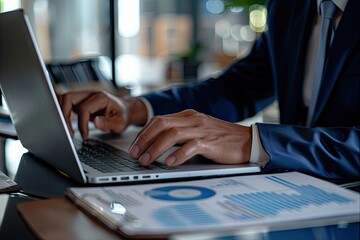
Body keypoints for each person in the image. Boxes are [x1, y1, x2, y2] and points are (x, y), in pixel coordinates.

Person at [59, 0, 359, 180]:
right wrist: (135, 108)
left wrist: (254, 142)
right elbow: (239, 88)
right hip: (295, 196)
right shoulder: (291, 6)